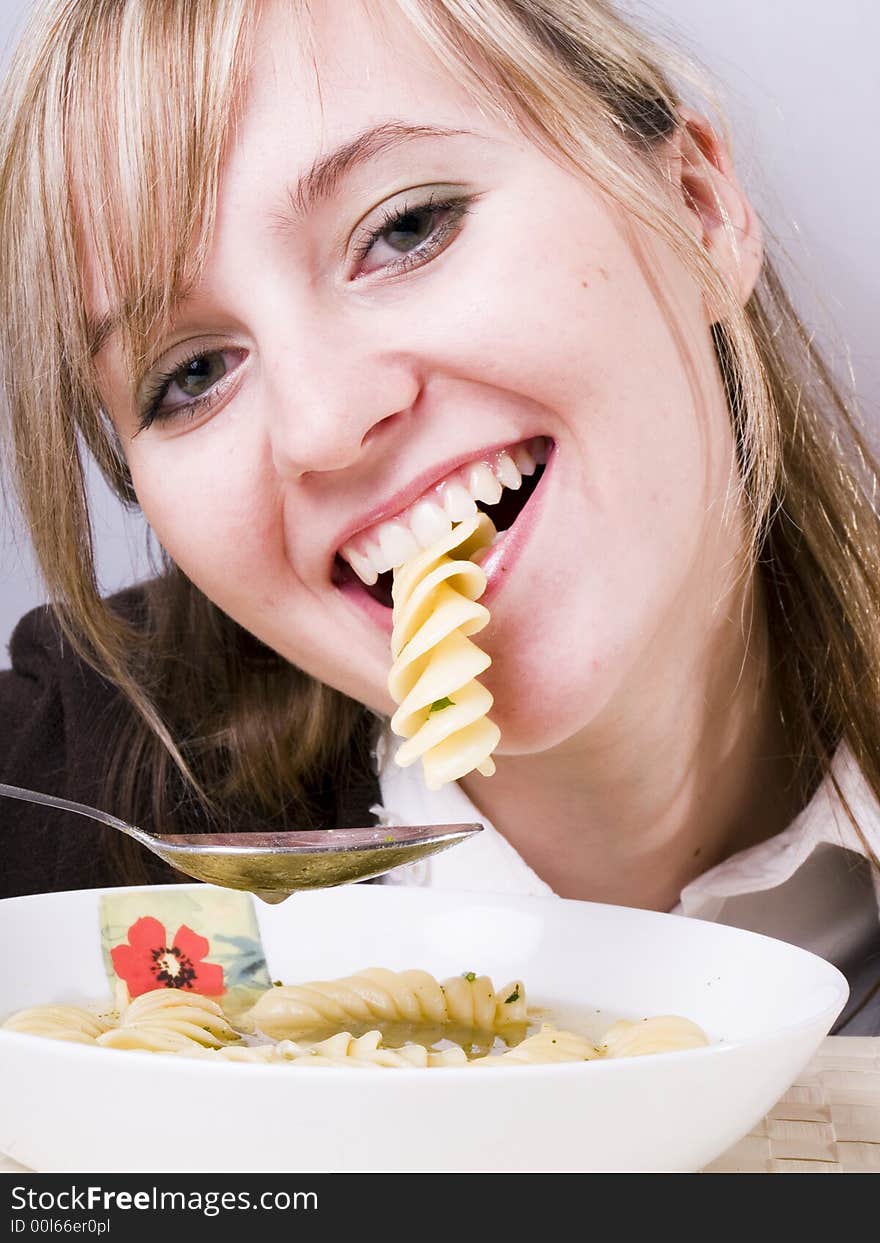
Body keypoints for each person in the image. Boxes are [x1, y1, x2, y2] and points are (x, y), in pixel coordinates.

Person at [0, 0, 878, 1034]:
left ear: (695, 208)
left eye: (406, 228)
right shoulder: (48, 808)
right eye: (192, 374)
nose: (323, 425)